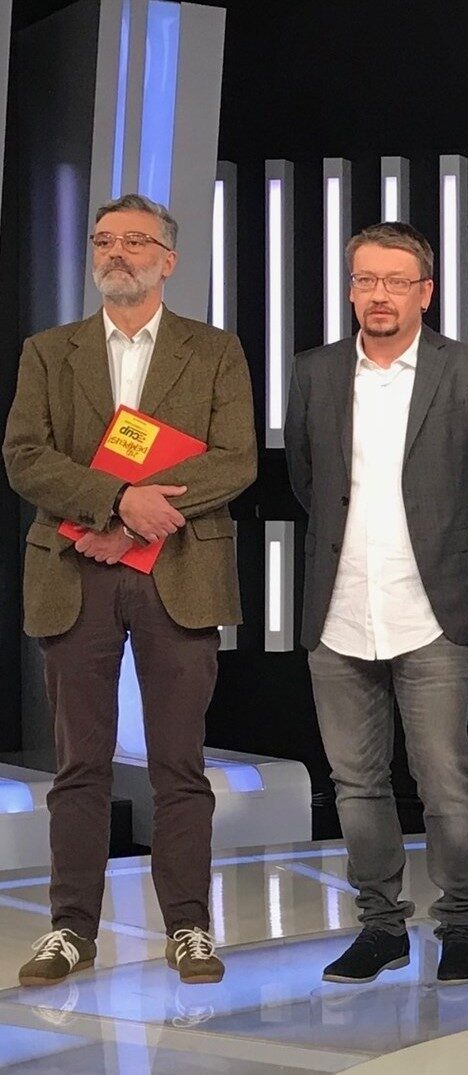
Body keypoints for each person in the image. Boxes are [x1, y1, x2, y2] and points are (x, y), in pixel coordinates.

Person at [6, 193, 255, 986]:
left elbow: (235, 459)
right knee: (79, 765)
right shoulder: (49, 351)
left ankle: (189, 927)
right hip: (73, 568)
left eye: (136, 241)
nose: (117, 253)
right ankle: (71, 930)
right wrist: (116, 502)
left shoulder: (214, 350)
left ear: (168, 260)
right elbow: (24, 455)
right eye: (105, 240)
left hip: (176, 572)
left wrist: (143, 515)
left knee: (179, 762)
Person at [284, 222, 468, 985]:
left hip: (433, 606)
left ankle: (461, 923)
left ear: (426, 291)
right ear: (351, 289)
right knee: (355, 781)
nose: (377, 294)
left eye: (394, 280)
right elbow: (306, 482)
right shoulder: (314, 372)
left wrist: (448, 553)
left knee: (446, 777)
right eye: (364, 280)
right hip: (338, 607)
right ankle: (381, 925)